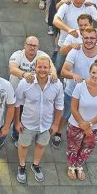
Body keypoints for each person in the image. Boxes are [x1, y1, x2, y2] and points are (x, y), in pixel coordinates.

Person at [55, 27, 97, 148]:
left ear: (96, 39)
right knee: (66, 112)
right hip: (73, 90)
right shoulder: (75, 51)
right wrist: (73, 75)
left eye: (92, 38)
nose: (89, 40)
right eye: (86, 38)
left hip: (93, 92)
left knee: (90, 113)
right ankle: (58, 132)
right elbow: (63, 71)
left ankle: (84, 135)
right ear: (82, 38)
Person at [12, 56, 63, 184]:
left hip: (46, 125)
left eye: (45, 67)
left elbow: (59, 105)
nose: (42, 70)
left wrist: (56, 125)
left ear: (49, 68)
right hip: (27, 123)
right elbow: (17, 103)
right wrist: (17, 122)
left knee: (41, 145)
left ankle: (35, 165)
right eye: (39, 67)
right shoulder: (25, 83)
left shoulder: (57, 84)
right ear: (35, 67)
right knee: (23, 145)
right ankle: (22, 166)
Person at [66, 60, 97, 181]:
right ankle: (71, 165)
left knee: (87, 147)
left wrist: (89, 124)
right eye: (93, 72)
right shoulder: (80, 86)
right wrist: (83, 125)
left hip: (95, 127)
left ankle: (79, 165)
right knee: (73, 146)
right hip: (76, 124)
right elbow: (73, 108)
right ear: (89, 72)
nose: (96, 76)